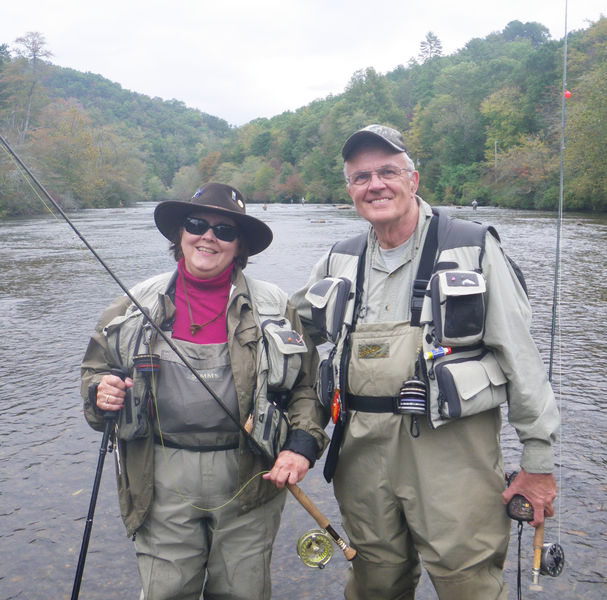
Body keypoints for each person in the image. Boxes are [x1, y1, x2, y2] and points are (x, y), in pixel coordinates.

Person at [291, 125, 560, 600]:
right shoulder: (338, 258)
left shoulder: (473, 246)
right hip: (360, 454)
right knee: (375, 580)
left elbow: (522, 359)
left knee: (468, 582)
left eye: (387, 172)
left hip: (453, 456)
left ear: (413, 180)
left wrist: (537, 463)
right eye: (361, 177)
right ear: (350, 190)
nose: (375, 185)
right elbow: (294, 342)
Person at [81, 182, 328, 600]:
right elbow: (94, 371)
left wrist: (300, 447)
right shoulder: (133, 304)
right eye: (197, 224)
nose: (209, 236)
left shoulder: (276, 306)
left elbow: (308, 387)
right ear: (180, 234)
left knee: (243, 592)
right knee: (166, 592)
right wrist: (99, 393)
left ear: (239, 246)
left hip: (253, 474)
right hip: (158, 477)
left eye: (225, 230)